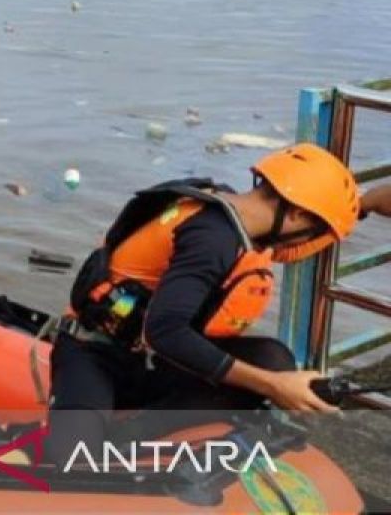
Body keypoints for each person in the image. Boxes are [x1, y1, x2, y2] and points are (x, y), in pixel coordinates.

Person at [46, 143, 361, 461]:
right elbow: (164, 331)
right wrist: (273, 386)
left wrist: (367, 204)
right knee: (70, 459)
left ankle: (133, 437)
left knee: (272, 357)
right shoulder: (212, 240)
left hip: (153, 362)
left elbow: (291, 249)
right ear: (295, 214)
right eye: (313, 231)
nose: (308, 242)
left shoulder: (231, 210)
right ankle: (117, 440)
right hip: (96, 353)